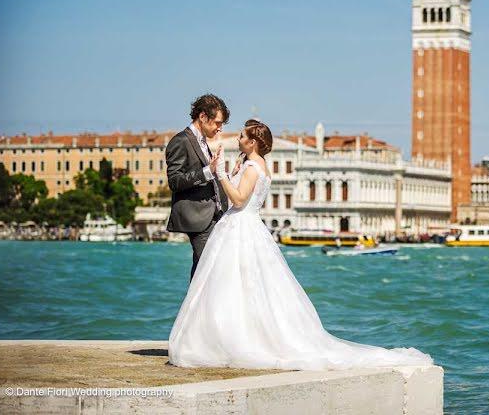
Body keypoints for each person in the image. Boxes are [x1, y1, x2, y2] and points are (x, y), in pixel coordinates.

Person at [168, 119, 432, 370]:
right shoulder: (257, 166)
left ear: (253, 143)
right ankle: (235, 336)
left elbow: (237, 201)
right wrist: (233, 172)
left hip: (239, 227)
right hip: (247, 228)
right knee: (242, 286)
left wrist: (222, 174)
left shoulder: (252, 167)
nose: (237, 139)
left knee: (232, 285)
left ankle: (232, 339)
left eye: (241, 136)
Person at [165, 94, 230, 280]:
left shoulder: (202, 142)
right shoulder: (180, 141)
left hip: (213, 214)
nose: (220, 128)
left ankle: (194, 309)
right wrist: (207, 171)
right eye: (217, 122)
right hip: (197, 217)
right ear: (202, 117)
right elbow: (174, 181)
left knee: (203, 270)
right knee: (208, 270)